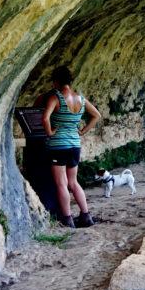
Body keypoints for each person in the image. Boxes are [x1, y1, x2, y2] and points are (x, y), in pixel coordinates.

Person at [41, 65, 102, 228]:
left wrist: (49, 132)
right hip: (75, 144)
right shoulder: (80, 99)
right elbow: (96, 115)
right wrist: (82, 131)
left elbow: (45, 118)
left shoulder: (56, 98)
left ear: (56, 81)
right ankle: (86, 215)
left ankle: (67, 219)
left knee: (61, 183)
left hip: (58, 146)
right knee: (73, 182)